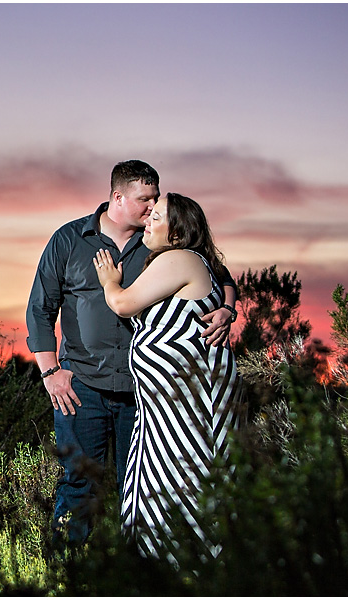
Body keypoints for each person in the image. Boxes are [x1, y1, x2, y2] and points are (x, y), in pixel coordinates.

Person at [26, 161, 237, 547]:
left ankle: (132, 573)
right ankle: (66, 573)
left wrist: (227, 309)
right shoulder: (70, 239)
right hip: (81, 385)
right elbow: (41, 308)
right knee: (78, 483)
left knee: (140, 484)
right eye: (146, 199)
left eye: (156, 199)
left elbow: (219, 275)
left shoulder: (160, 242)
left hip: (141, 393)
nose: (152, 205)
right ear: (118, 197)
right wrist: (50, 371)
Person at [93, 191, 242, 563]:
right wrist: (227, 306)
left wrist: (110, 281)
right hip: (165, 408)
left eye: (156, 217)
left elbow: (124, 303)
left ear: (177, 234)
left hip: (183, 405)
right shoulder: (184, 261)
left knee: (182, 484)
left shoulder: (180, 259)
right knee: (162, 484)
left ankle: (182, 568)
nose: (147, 221)